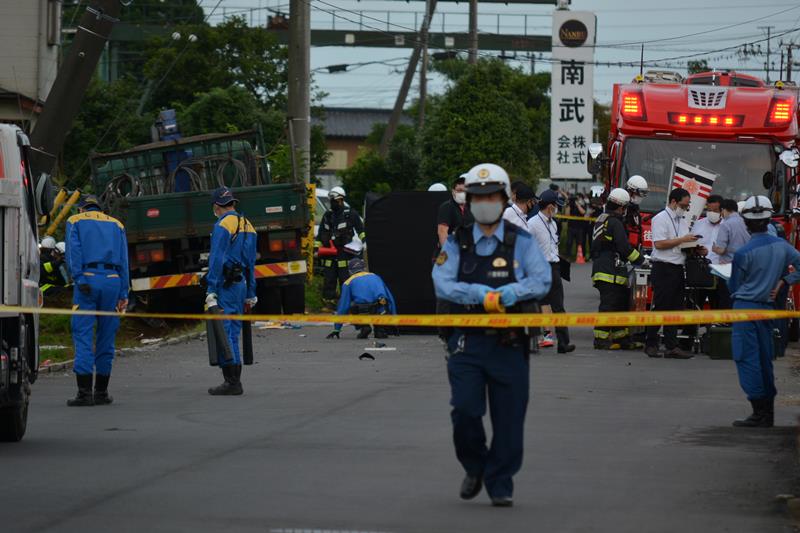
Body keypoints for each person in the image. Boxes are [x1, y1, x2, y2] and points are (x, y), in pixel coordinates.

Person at [432, 162, 551, 507]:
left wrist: (512, 293)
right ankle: (475, 465)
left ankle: (501, 481)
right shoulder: (456, 243)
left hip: (510, 342)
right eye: (477, 196)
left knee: (510, 420)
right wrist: (480, 297)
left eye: (491, 195)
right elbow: (442, 282)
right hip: (467, 342)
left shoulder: (522, 241)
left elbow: (541, 279)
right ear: (468, 201)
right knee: (465, 412)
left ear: (503, 198)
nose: (485, 201)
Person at [728, 195, 800, 427]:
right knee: (765, 359)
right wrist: (784, 281)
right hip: (768, 310)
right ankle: (767, 411)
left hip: (744, 310)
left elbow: (735, 287)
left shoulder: (743, 253)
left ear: (746, 222)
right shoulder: (783, 247)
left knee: (747, 358)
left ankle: (759, 411)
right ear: (769, 219)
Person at [64, 195, 129, 406]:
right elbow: (124, 261)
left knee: (83, 334)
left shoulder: (76, 221)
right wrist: (123, 294)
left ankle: (84, 394)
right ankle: (101, 392)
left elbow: (73, 253)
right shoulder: (117, 224)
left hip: (88, 279)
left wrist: (78, 278)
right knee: (106, 336)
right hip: (113, 280)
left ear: (82, 208)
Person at [205, 186, 258, 396]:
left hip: (225, 285)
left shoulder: (223, 224)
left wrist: (211, 287)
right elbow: (251, 262)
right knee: (234, 332)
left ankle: (231, 381)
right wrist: (251, 292)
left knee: (225, 332)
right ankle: (234, 380)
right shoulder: (248, 225)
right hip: (241, 284)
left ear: (217, 206)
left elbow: (216, 258)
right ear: (233, 202)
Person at [644, 188, 699, 359]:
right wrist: (683, 240)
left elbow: (680, 244)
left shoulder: (681, 220)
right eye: (684, 205)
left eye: (688, 206)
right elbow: (659, 244)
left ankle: (671, 345)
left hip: (677, 267)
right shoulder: (660, 218)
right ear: (674, 202)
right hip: (663, 267)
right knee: (660, 306)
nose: (686, 208)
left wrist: (696, 248)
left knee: (675, 307)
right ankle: (651, 343)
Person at [591, 188, 645, 350]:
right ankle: (600, 339)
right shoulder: (615, 222)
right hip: (610, 271)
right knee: (609, 305)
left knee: (620, 303)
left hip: (607, 269)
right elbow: (624, 247)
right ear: (621, 207)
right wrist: (642, 260)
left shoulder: (602, 218)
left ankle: (621, 338)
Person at [529, 189, 575, 353]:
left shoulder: (553, 223)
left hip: (554, 268)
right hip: (539, 268)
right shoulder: (533, 223)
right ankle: (533, 340)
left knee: (558, 306)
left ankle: (563, 343)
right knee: (535, 304)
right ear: (549, 206)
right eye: (555, 205)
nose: (557, 209)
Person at [326, 257, 397, 340]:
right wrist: (394, 321)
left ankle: (364, 326)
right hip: (381, 309)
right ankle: (380, 329)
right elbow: (390, 298)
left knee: (352, 305)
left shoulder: (348, 282)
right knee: (383, 302)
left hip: (362, 309)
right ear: (364, 268)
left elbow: (343, 306)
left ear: (350, 271)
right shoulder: (375, 276)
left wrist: (336, 328)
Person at [318, 186, 365, 302]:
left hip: (344, 253)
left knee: (345, 280)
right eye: (331, 201)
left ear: (341, 200)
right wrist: (316, 249)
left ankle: (346, 303)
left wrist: (365, 243)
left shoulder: (350, 214)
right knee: (329, 279)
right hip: (329, 253)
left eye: (334, 201)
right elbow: (321, 234)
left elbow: (361, 230)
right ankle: (328, 303)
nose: (332, 203)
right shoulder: (327, 216)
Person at [437, 174, 473, 247]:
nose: (463, 193)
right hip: (452, 249)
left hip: (468, 251)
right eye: (460, 190)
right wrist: (447, 252)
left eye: (465, 191)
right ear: (453, 191)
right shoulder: (447, 207)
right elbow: (442, 231)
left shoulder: (471, 207)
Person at [713, 199, 750, 264]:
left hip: (729, 266)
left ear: (723, 209)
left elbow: (721, 250)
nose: (721, 215)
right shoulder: (746, 222)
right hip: (746, 262)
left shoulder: (725, 225)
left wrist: (714, 248)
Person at [624, 175, 649, 249]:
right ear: (630, 191)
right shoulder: (622, 209)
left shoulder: (635, 209)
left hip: (633, 249)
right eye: (640, 193)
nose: (641, 197)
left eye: (644, 193)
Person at [566, 192, 588, 258]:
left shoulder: (583, 204)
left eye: (578, 198)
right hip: (571, 226)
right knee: (569, 242)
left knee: (579, 243)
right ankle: (568, 256)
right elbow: (567, 214)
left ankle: (579, 256)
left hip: (579, 227)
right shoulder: (571, 205)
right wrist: (569, 205)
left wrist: (578, 205)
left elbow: (583, 212)